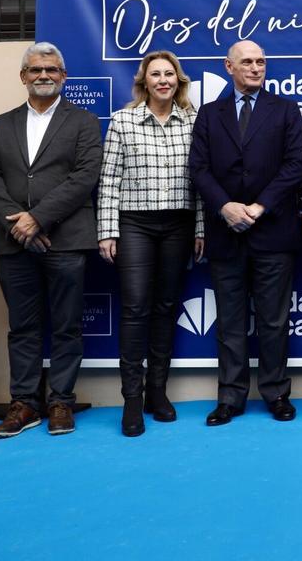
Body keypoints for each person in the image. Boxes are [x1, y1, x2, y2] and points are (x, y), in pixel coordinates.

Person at [0, 42, 102, 438]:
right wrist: (19, 224)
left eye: (51, 70)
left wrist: (38, 218)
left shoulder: (83, 121)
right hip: (14, 241)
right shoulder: (1, 124)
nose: (44, 76)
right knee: (23, 328)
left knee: (67, 326)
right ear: (23, 77)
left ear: (63, 77)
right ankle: (25, 403)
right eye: (35, 70)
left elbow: (85, 176)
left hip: (65, 240)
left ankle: (61, 402)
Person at [189, 40, 302, 425]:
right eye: (247, 62)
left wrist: (258, 207)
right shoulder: (208, 115)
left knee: (274, 321)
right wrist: (225, 207)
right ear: (229, 67)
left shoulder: (286, 110)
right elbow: (199, 169)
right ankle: (231, 398)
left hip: (272, 232)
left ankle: (276, 394)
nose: (256, 68)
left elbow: (295, 165)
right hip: (226, 234)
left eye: (261, 62)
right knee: (230, 322)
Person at [98, 51, 205, 436]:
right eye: (155, 74)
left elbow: (201, 181)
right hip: (135, 224)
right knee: (135, 308)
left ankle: (157, 394)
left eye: (169, 74)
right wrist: (107, 230)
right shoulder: (123, 120)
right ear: (144, 81)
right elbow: (109, 179)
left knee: (165, 307)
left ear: (179, 80)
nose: (163, 80)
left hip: (178, 224)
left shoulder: (195, 121)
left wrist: (201, 228)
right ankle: (131, 399)